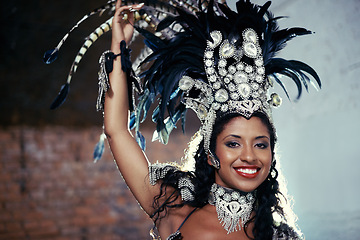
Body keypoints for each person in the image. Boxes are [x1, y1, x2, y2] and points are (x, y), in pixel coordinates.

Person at [47, 0, 320, 239]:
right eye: (234, 144)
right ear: (211, 153)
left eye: (260, 144)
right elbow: (117, 131)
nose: (249, 156)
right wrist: (120, 49)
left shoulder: (280, 237)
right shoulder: (174, 209)